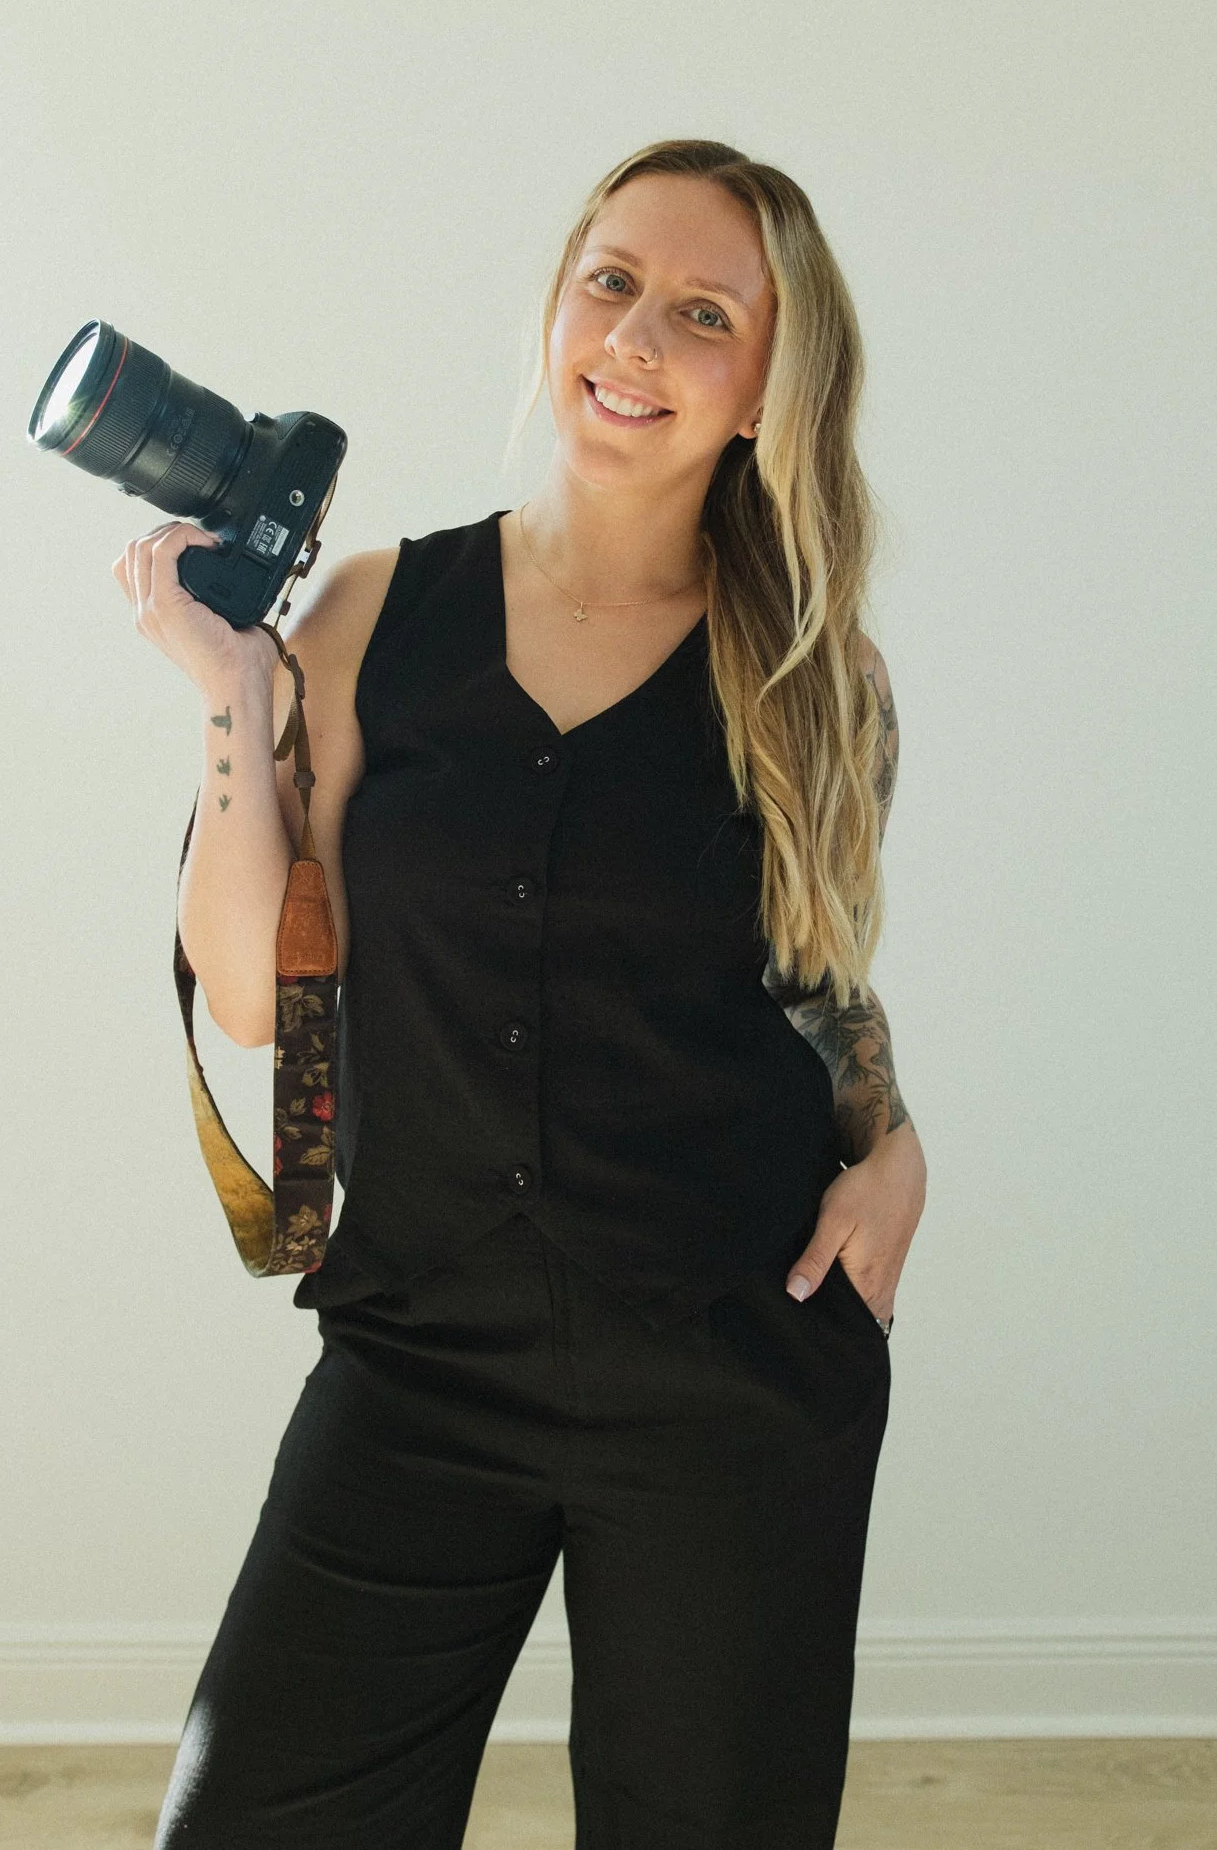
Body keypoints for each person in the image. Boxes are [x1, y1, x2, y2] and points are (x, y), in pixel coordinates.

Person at [115, 138, 927, 1849]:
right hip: (421, 1358)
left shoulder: (814, 673)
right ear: (558, 302)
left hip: (728, 1364)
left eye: (702, 311)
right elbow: (255, 999)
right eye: (611, 281)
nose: (634, 338)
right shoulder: (366, 615)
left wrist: (897, 1140)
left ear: (771, 381)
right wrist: (225, 688)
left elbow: (819, 971)